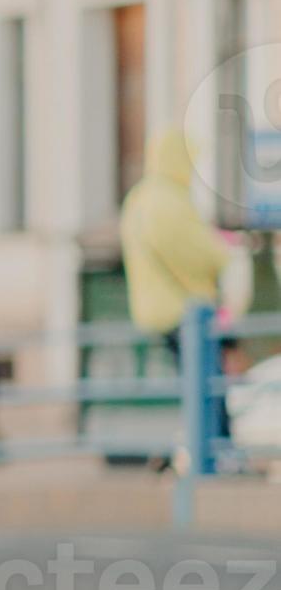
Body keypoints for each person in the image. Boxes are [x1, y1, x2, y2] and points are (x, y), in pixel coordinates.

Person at [120, 125, 237, 448]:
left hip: (159, 308)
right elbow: (197, 253)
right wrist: (224, 252)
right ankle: (213, 451)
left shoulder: (140, 197)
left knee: (197, 385)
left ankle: (207, 448)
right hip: (183, 310)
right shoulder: (167, 201)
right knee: (207, 385)